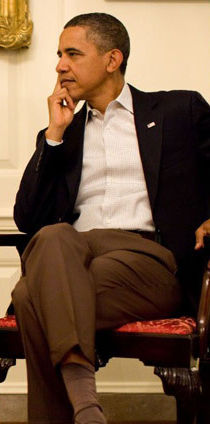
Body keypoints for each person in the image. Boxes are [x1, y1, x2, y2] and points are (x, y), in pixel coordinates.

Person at [12, 12, 210, 424]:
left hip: (149, 262)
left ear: (112, 59)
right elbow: (27, 219)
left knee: (33, 298)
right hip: (75, 254)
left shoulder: (179, 109)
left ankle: (78, 408)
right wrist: (53, 136)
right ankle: (87, 408)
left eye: (72, 54)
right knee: (51, 240)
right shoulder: (64, 134)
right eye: (58, 55)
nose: (59, 66)